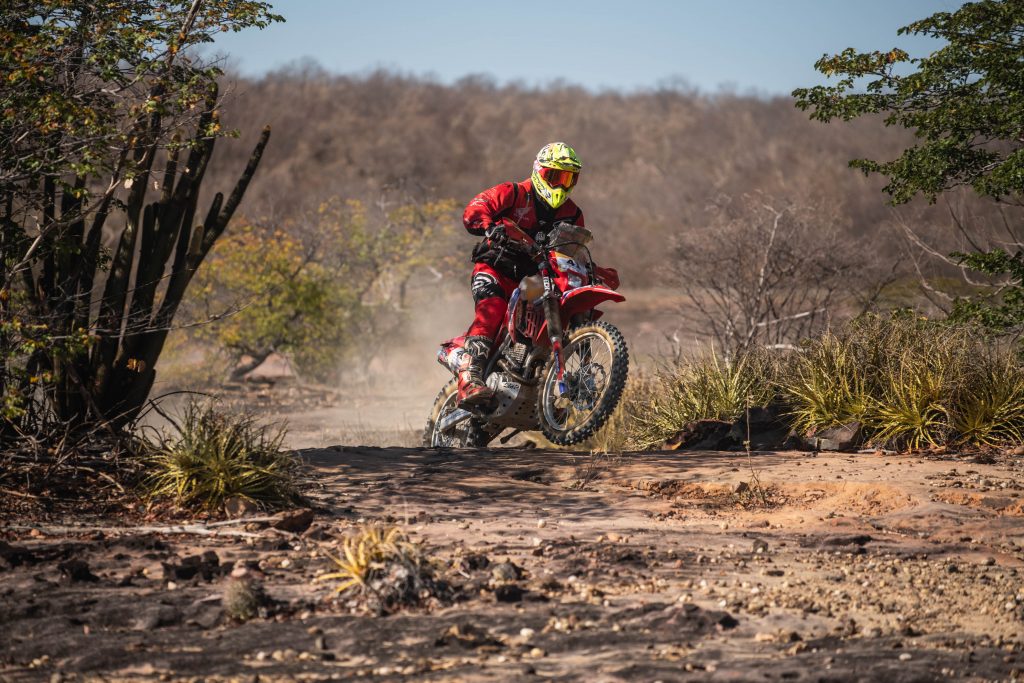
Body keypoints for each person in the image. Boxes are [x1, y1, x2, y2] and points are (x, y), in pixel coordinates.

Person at [439, 142, 619, 407]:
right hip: (496, 268)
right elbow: (476, 207)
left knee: (569, 301)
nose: (560, 184)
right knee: (493, 308)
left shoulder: (572, 213)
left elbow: (573, 249)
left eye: (568, 178)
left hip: (537, 279)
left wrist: (593, 270)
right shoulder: (513, 193)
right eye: (554, 176)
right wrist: (489, 226)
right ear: (539, 171)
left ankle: (576, 376)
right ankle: (470, 378)